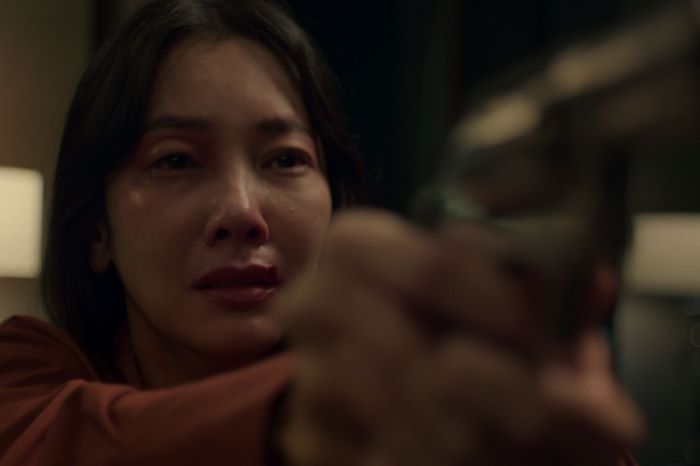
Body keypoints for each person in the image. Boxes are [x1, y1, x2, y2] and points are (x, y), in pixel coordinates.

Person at [0, 0, 642, 465]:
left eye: (285, 159)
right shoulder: (28, 372)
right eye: (175, 161)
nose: (241, 212)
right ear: (97, 231)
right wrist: (310, 414)